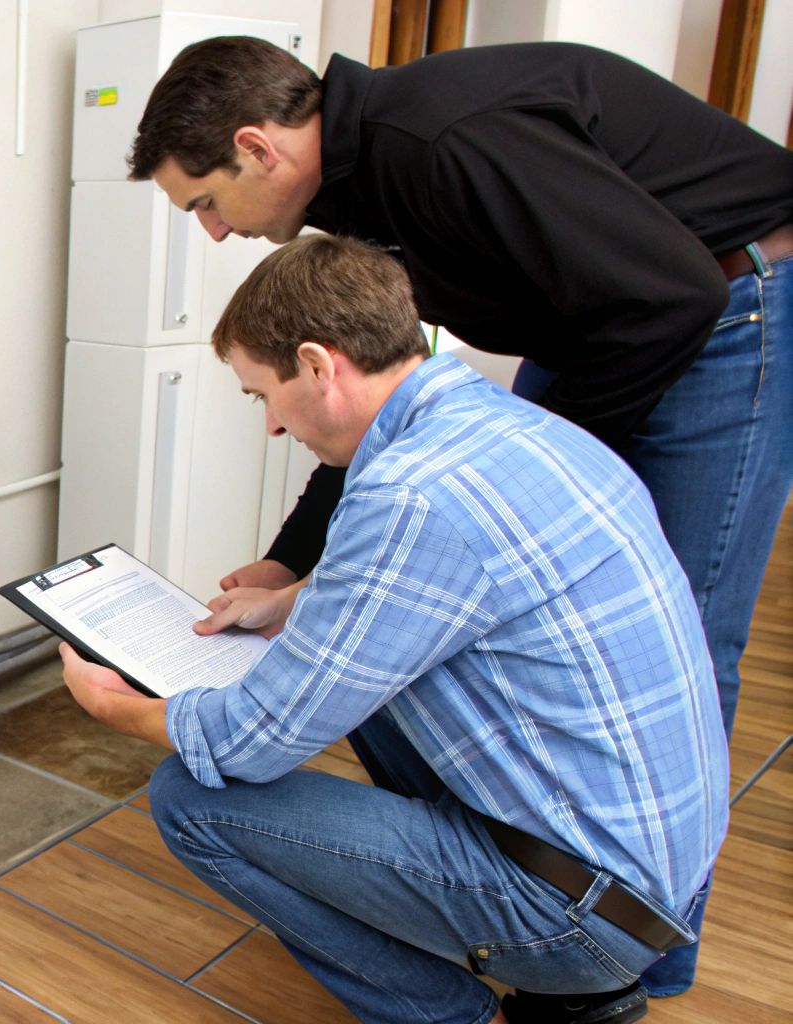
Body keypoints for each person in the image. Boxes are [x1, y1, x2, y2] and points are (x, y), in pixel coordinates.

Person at [125, 36, 792, 995]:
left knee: (689, 625)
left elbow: (671, 296)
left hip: (722, 298)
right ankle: (493, 873)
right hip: (596, 317)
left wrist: (524, 490)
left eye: (205, 204)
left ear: (258, 148)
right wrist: (288, 563)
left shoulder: (437, 143)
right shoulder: (359, 200)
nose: (214, 234)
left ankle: (635, 964)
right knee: (427, 621)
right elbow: (378, 410)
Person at [60, 234, 727, 1024]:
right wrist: (294, 603)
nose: (272, 428)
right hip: (650, 875)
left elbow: (252, 741)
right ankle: (569, 973)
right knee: (355, 679)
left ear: (317, 366)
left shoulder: (413, 495)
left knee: (188, 797)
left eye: (259, 395)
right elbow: (453, 591)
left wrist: (116, 708)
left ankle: (453, 1012)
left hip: (583, 914)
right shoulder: (511, 430)